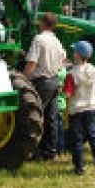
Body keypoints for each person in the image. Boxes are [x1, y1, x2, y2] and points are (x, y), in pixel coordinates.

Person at [24, 12, 67, 160]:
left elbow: (32, 64)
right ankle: (50, 150)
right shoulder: (56, 41)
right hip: (54, 81)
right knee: (51, 118)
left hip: (41, 82)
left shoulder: (39, 39)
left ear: (42, 23)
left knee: (34, 118)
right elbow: (63, 59)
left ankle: (33, 151)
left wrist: (24, 80)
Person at [63, 40, 95, 175]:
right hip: (91, 108)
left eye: (74, 51)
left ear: (77, 55)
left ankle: (79, 168)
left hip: (76, 110)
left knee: (77, 140)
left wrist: (61, 90)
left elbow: (68, 94)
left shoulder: (72, 73)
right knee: (94, 138)